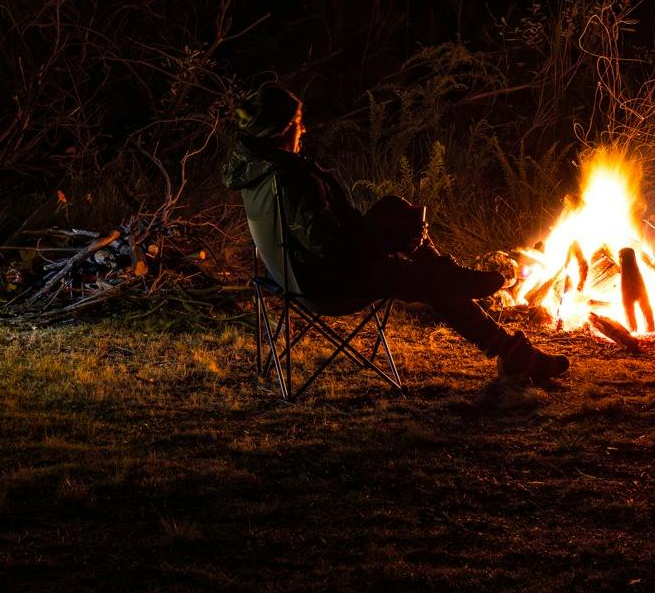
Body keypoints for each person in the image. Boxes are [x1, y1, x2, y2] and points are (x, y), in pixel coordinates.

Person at [222, 84, 569, 406]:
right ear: (281, 129)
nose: (305, 130)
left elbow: (330, 236)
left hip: (293, 275)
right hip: (326, 284)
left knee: (394, 208)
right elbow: (329, 246)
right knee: (426, 277)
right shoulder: (292, 177)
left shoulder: (261, 167)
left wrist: (391, 238)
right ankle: (503, 341)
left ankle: (452, 278)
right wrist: (391, 244)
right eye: (299, 123)